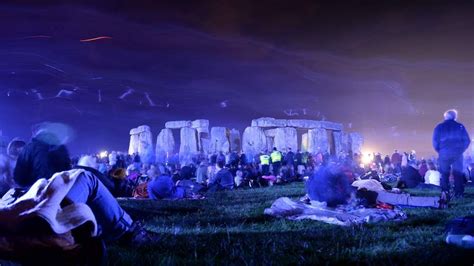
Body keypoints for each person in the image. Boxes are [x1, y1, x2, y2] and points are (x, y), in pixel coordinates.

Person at [12, 129, 150, 245]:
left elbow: (19, 179)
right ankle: (127, 231)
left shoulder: (23, 157)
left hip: (35, 205)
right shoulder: (47, 149)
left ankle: (103, 225)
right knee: (85, 176)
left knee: (83, 173)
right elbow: (65, 175)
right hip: (43, 208)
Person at [433, 109, 471, 198]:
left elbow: (435, 142)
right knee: (458, 174)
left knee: (444, 173)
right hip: (457, 153)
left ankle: (445, 192)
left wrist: (440, 151)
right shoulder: (460, 126)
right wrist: (461, 150)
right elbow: (467, 141)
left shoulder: (439, 127)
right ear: (455, 117)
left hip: (444, 153)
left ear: (445, 116)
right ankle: (459, 193)